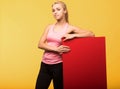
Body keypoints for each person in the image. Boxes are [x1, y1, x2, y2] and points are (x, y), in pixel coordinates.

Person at [35, 1, 94, 89]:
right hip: (45, 65)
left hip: (59, 66)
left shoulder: (70, 28)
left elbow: (91, 34)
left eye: (58, 9)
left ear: (65, 11)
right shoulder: (49, 27)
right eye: (53, 10)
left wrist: (73, 35)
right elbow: (40, 44)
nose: (55, 12)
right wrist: (57, 49)